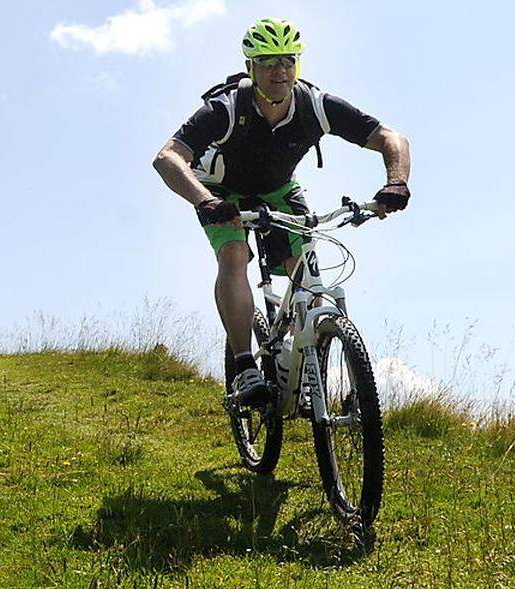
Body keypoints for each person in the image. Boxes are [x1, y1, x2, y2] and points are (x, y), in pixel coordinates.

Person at [152, 18, 411, 406]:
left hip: (278, 190)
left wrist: (396, 182)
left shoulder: (314, 105)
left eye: (289, 61)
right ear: (251, 68)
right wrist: (205, 201)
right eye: (269, 62)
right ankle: (245, 368)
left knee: (306, 272)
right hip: (223, 192)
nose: (281, 71)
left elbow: (392, 138)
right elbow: (168, 158)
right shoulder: (225, 109)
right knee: (234, 254)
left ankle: (313, 365)